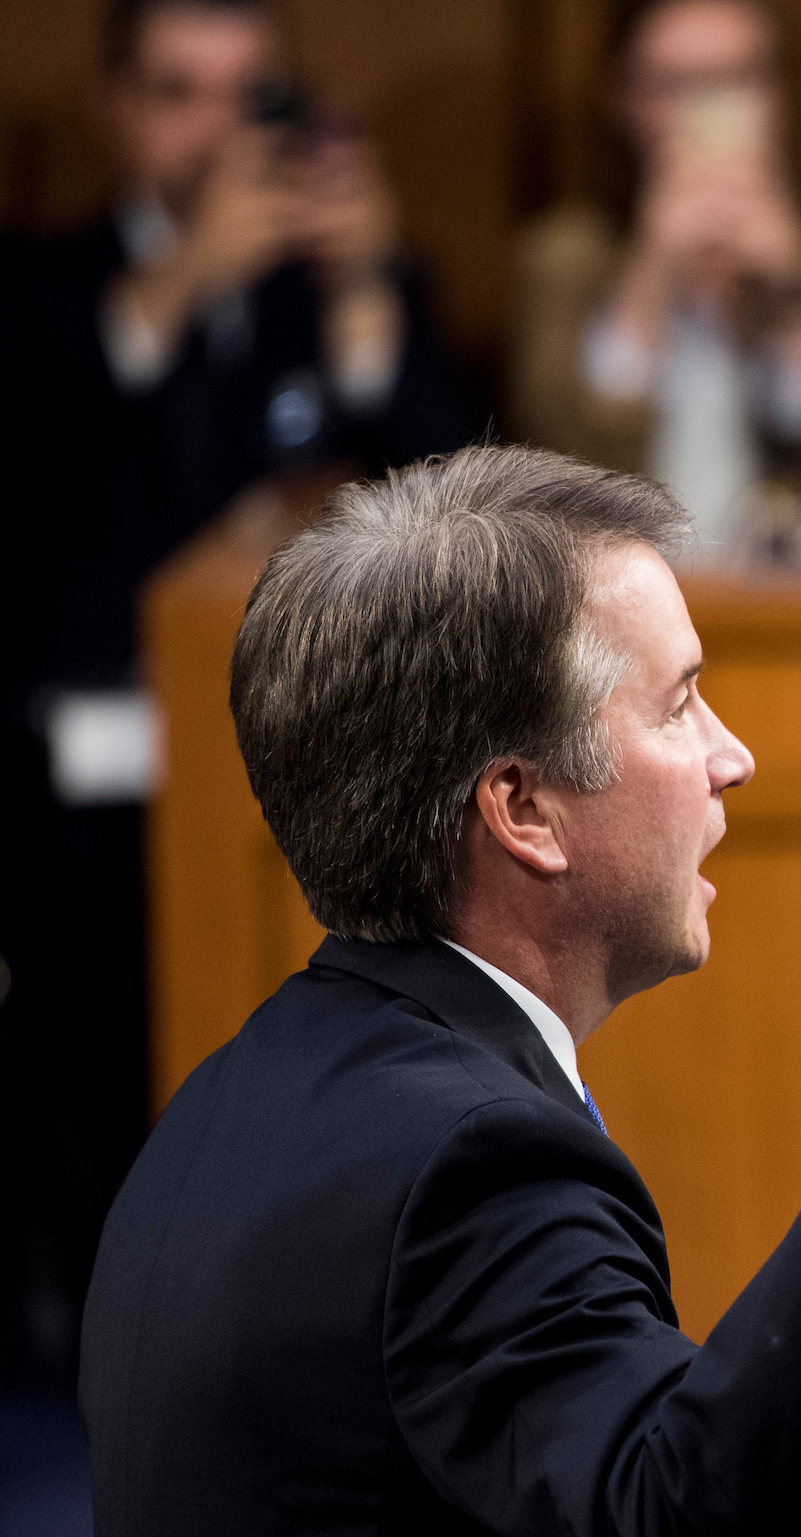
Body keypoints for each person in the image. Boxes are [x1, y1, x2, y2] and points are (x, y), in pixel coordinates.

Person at [79, 445, 801, 1533]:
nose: (735, 756)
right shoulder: (467, 1167)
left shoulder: (218, 1106)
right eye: (680, 706)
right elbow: (677, 1515)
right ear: (521, 809)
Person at [0, 0, 469, 1383]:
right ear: (120, 112)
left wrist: (371, 295)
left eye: (249, 96)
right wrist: (168, 296)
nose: (216, 129)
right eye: (180, 93)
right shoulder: (41, 285)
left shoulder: (341, 286)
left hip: (307, 773)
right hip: (72, 786)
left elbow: (462, 503)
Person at [512, 0, 801, 552]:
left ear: (782, 96)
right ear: (623, 100)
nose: (708, 109)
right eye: (675, 84)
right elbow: (560, 463)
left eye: (739, 78)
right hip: (619, 598)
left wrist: (792, 283)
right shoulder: (564, 258)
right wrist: (651, 272)